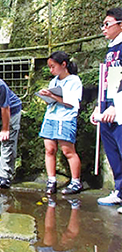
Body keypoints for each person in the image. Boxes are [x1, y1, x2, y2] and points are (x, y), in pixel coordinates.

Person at [38, 51, 83, 195]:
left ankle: (76, 181)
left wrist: (52, 95)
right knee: (49, 149)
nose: (51, 70)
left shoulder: (74, 81)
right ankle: (51, 180)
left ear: (63, 64)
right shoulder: (54, 81)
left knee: (68, 151)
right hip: (51, 117)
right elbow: (52, 101)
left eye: (53, 66)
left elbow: (71, 103)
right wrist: (46, 97)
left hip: (66, 118)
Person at [91, 8, 122, 212]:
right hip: (107, 104)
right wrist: (99, 106)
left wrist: (116, 105)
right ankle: (120, 191)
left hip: (118, 105)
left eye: (107, 24)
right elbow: (108, 79)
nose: (104, 29)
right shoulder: (111, 49)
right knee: (112, 152)